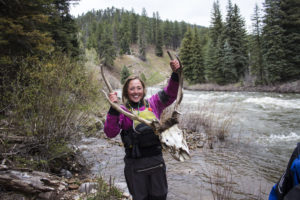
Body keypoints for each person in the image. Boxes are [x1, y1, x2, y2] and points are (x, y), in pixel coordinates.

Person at [104, 59, 181, 200]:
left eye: (138, 88)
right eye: (132, 88)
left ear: (143, 90)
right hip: (135, 166)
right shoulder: (122, 111)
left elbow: (170, 94)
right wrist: (113, 109)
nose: (136, 92)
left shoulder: (154, 103)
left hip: (156, 163)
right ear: (126, 92)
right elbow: (110, 132)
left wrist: (175, 75)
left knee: (160, 196)